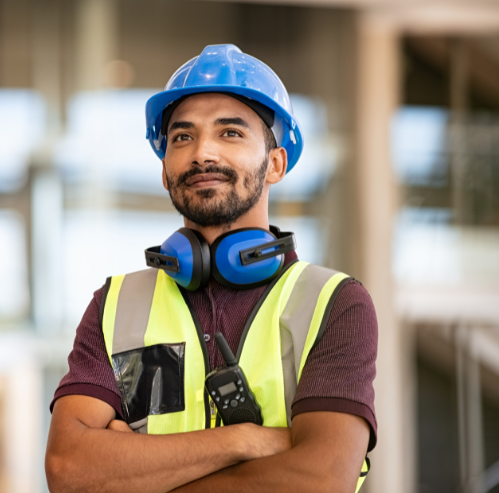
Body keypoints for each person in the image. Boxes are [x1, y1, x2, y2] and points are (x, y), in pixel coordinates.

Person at [45, 44, 377, 493]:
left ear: (275, 164)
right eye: (183, 137)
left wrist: (136, 475)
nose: (203, 153)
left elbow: (319, 479)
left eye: (230, 134)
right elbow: (68, 469)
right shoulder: (114, 306)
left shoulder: (333, 303)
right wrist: (243, 441)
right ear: (164, 171)